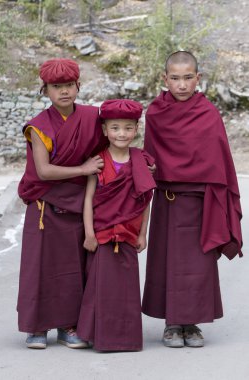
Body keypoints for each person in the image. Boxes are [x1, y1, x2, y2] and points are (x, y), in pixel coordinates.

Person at [142, 51, 243, 348]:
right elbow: (151, 159)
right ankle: (172, 323)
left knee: (197, 263)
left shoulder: (208, 113)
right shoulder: (157, 112)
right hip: (167, 200)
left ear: (198, 79)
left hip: (201, 202)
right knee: (167, 261)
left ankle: (193, 324)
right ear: (165, 79)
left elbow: (219, 160)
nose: (182, 85)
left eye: (188, 78)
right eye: (175, 78)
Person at [17, 58, 108, 349]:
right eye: (57, 87)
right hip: (45, 204)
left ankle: (69, 326)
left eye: (69, 85)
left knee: (73, 267)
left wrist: (143, 163)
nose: (64, 92)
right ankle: (37, 327)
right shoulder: (38, 126)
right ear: (45, 90)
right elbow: (44, 171)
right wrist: (83, 169)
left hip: (79, 205)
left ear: (78, 86)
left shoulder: (93, 118)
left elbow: (117, 138)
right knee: (40, 267)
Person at [77, 99, 156, 351]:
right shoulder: (97, 161)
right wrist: (89, 233)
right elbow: (89, 199)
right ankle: (92, 334)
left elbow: (144, 200)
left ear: (136, 129)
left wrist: (143, 233)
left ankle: (126, 338)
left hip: (129, 235)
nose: (121, 133)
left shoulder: (141, 160)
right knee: (99, 286)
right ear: (104, 130)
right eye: (115, 128)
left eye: (128, 127)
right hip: (101, 234)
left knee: (127, 288)